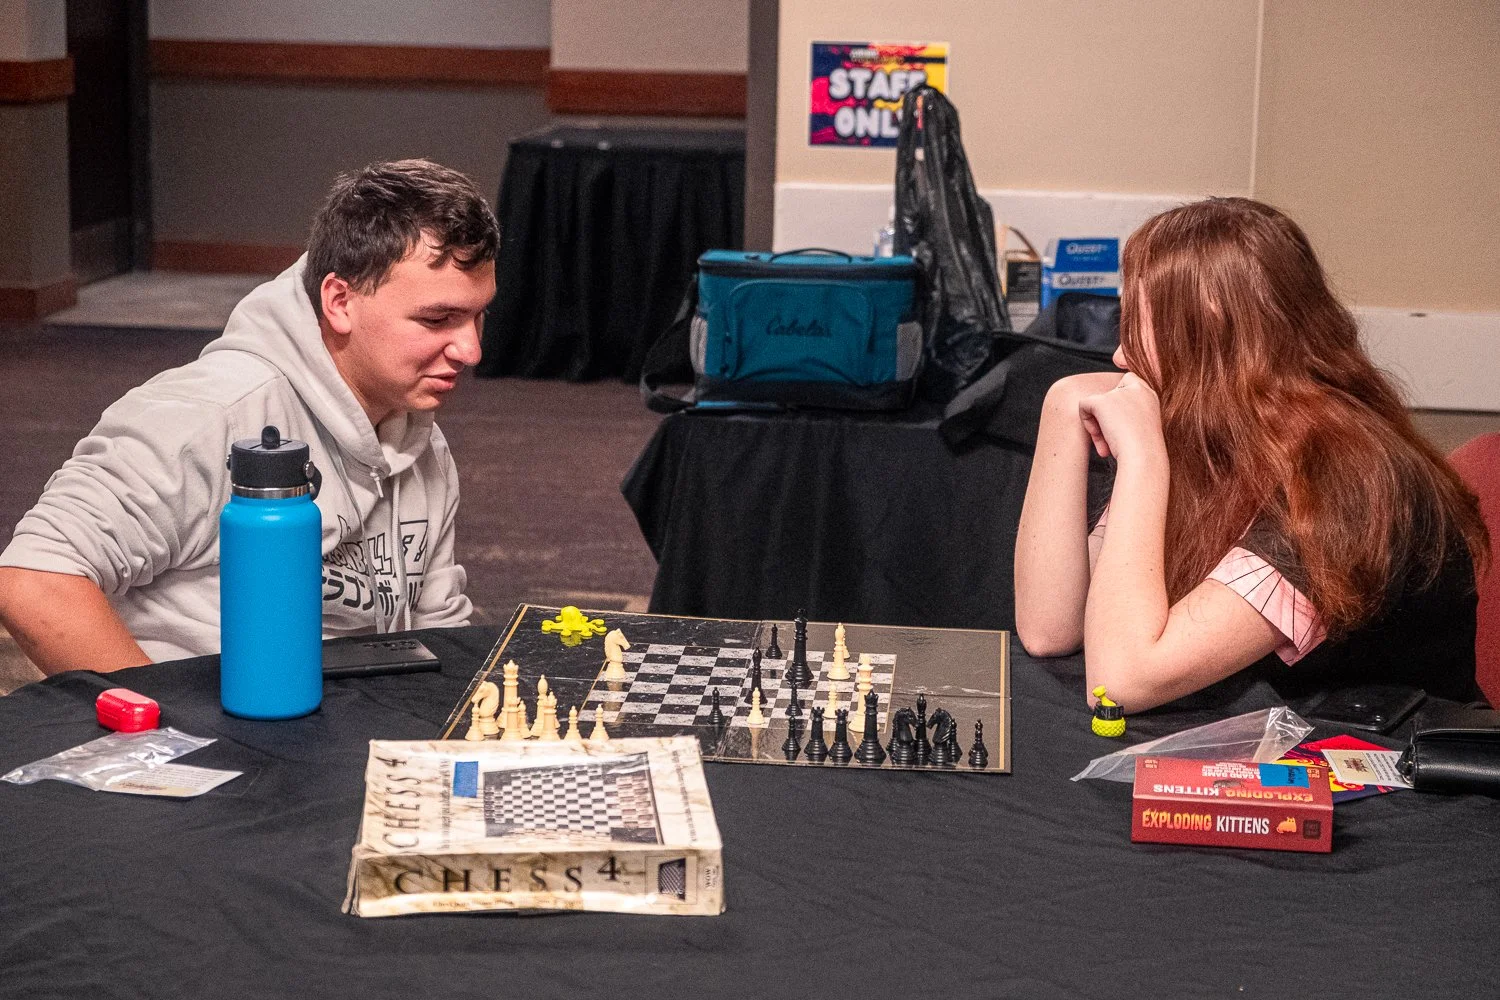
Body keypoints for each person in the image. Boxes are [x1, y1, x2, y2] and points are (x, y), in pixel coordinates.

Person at [0, 159, 499, 674]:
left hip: (344, 713)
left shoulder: (424, 445)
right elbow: (35, 581)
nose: (471, 350)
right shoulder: (206, 416)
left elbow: (438, 632)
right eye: (437, 319)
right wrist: (157, 717)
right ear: (339, 301)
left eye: (478, 314)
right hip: (202, 719)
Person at [1014, 197, 1487, 711]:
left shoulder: (1346, 483)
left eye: (1135, 330)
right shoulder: (1209, 435)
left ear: (1211, 334)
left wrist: (1143, 461)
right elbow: (1049, 630)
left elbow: (1120, 684)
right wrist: (1062, 404)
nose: (1119, 356)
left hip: (1395, 753)